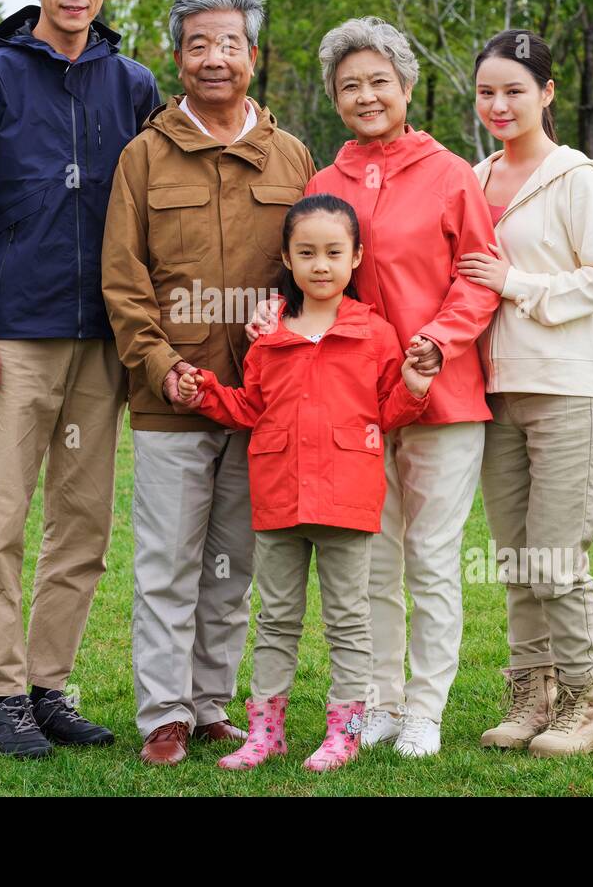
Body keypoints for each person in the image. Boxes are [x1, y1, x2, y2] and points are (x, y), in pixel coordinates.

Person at [0, 0, 160, 758]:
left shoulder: (131, 83)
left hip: (103, 341)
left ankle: (47, 684)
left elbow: (148, 210)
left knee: (83, 522)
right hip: (15, 338)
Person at [248, 17, 499, 756]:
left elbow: (477, 280)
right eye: (349, 84)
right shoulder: (326, 181)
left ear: (407, 86)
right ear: (334, 96)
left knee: (431, 555)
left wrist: (438, 342)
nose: (365, 95)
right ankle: (380, 701)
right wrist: (275, 309)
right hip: (351, 409)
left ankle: (425, 706)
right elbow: (307, 268)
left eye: (378, 81)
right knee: (374, 562)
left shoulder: (451, 173)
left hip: (439, 397)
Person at [102, 0, 316, 766]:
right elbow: (123, 283)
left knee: (233, 563)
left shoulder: (291, 155)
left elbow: (317, 270)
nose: (215, 58)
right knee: (167, 561)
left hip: (259, 403)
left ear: (253, 56)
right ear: (179, 57)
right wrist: (161, 368)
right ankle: (162, 713)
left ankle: (208, 704)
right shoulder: (144, 157)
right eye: (199, 44)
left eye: (230, 44)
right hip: (174, 402)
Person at [178, 194, 433, 772]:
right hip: (278, 499)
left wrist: (416, 383)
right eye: (307, 253)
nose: (321, 265)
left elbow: (388, 412)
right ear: (288, 260)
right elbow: (251, 409)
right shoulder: (269, 335)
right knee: (276, 619)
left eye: (334, 253)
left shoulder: (374, 333)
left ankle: (344, 730)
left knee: (348, 619)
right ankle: (267, 733)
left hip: (347, 500)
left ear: (356, 257)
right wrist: (208, 394)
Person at [457, 28, 593, 757]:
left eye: (515, 90)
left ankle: (584, 707)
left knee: (556, 556)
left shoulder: (574, 176)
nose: (499, 104)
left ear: (547, 93)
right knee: (518, 560)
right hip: (492, 393)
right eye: (487, 91)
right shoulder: (475, 175)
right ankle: (532, 695)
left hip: (566, 390)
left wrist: (517, 284)